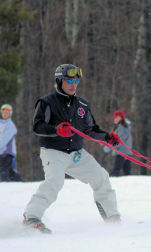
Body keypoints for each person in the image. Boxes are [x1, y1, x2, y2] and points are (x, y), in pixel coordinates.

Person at [22, 64, 121, 232]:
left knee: (101, 176)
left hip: (76, 154)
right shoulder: (47, 102)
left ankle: (113, 218)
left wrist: (107, 137)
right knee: (55, 181)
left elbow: (90, 129)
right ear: (60, 81)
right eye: (69, 80)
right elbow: (38, 126)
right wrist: (56, 130)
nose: (73, 84)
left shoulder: (82, 104)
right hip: (53, 152)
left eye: (76, 81)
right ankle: (32, 217)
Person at [105, 110, 133, 176]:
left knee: (116, 170)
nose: (115, 119)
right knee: (127, 171)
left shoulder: (122, 128)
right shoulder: (123, 127)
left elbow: (120, 140)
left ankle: (113, 183)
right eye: (114, 117)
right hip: (126, 152)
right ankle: (130, 184)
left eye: (117, 117)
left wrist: (110, 146)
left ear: (121, 118)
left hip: (121, 152)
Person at [0, 104, 22, 181]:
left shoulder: (10, 125)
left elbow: (4, 140)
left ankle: (6, 186)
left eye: (7, 112)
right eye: (3, 112)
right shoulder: (1, 124)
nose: (5, 114)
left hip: (7, 152)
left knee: (4, 172)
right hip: (1, 152)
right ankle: (19, 183)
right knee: (9, 172)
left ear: (10, 114)